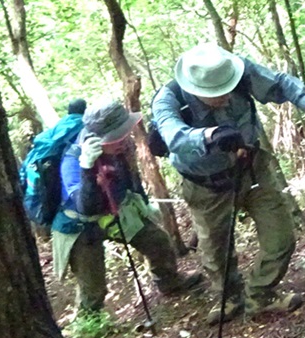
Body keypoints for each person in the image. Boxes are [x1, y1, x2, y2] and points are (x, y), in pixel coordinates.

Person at [152, 42, 305, 324]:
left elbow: (279, 83)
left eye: (227, 88)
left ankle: (260, 295)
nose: (225, 96)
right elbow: (173, 137)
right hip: (205, 185)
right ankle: (229, 296)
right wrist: (210, 136)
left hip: (253, 169)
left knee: (281, 238)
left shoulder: (237, 70)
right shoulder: (168, 98)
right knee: (215, 252)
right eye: (215, 93)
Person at [52, 98, 203, 314]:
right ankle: (91, 322)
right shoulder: (72, 162)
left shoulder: (121, 148)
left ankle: (169, 282)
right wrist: (87, 169)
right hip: (80, 225)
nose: (124, 139)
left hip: (117, 210)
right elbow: (86, 207)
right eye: (118, 136)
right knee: (93, 288)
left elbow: (131, 178)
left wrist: (142, 203)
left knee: (157, 242)